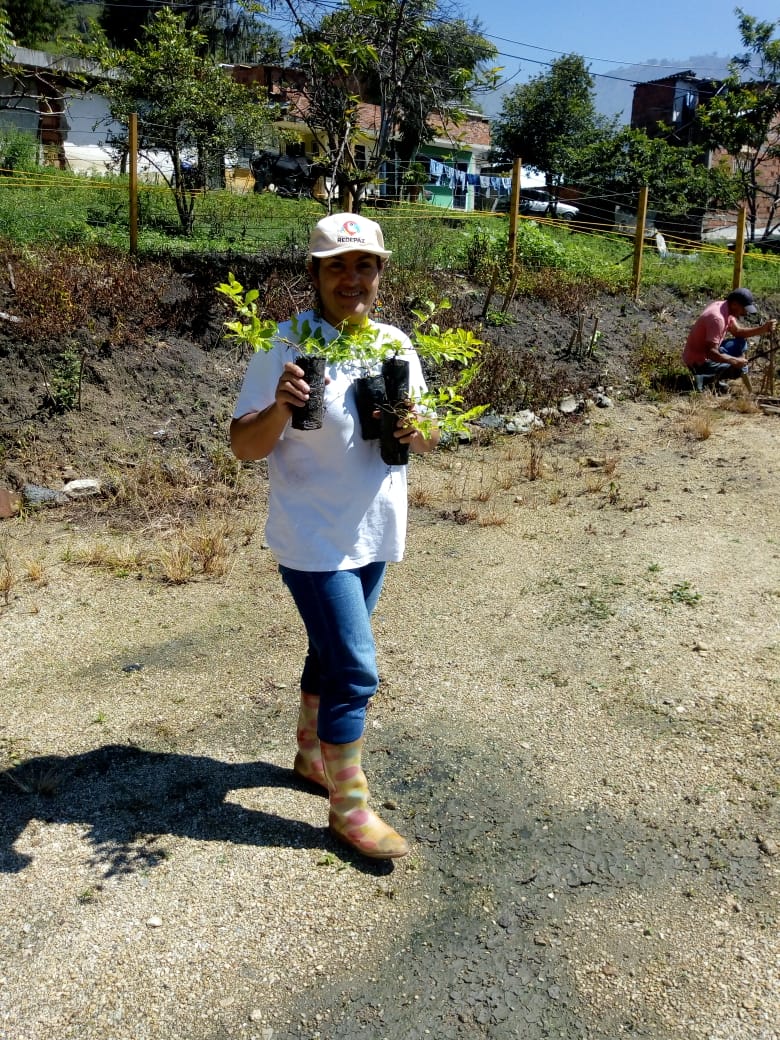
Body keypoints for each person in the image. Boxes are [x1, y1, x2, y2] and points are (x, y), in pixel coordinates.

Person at [230, 213, 439, 860]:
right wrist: (281, 406)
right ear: (315, 274)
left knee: (329, 652)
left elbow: (429, 434)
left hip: (374, 531)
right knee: (354, 667)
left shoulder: (393, 344)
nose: (352, 278)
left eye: (364, 265)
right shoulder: (285, 344)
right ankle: (349, 809)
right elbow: (243, 447)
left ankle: (309, 755)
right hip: (313, 538)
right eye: (337, 266)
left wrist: (415, 428)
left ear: (380, 272)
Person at [683, 287, 776, 388]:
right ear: (735, 304)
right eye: (744, 309)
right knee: (739, 369)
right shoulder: (718, 319)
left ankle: (713, 376)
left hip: (707, 351)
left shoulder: (724, 307)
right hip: (699, 362)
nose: (745, 313)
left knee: (741, 343)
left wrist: (763, 329)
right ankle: (705, 379)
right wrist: (734, 361)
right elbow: (711, 353)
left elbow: (737, 332)